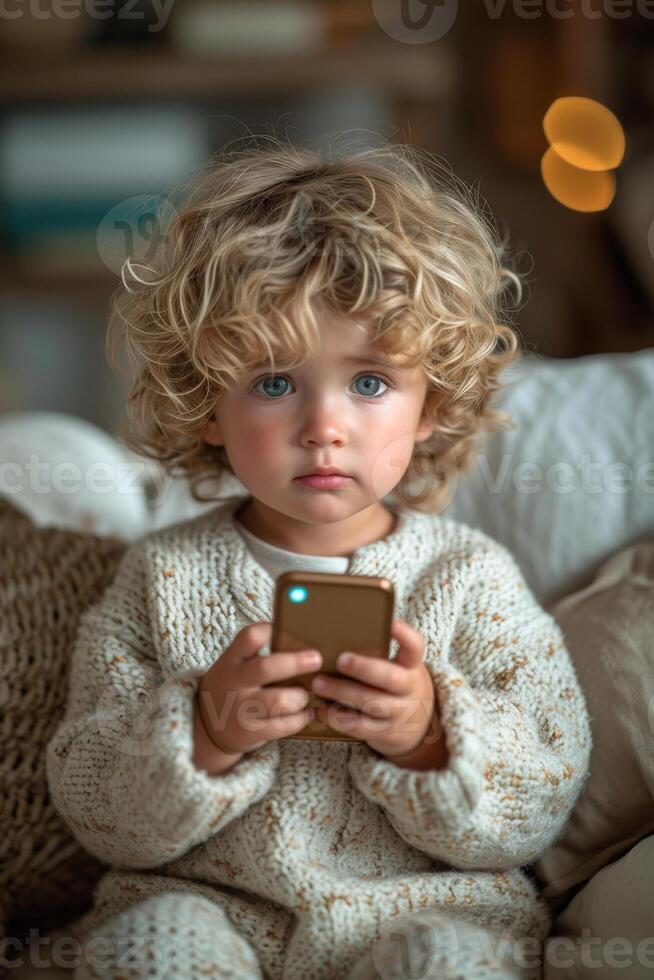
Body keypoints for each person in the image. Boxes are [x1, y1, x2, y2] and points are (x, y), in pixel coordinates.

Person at [46, 135, 592, 980]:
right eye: (272, 382)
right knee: (149, 946)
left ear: (432, 405)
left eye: (369, 382)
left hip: (424, 911)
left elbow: (545, 790)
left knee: (452, 964)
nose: (323, 425)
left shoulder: (470, 578)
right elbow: (91, 802)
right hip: (221, 912)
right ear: (206, 409)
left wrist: (429, 738)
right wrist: (204, 733)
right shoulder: (159, 578)